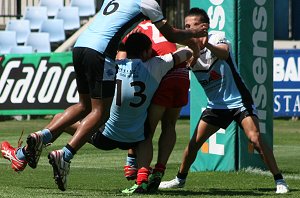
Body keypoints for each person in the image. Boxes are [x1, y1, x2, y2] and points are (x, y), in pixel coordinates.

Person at [0, 0, 208, 191]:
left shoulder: (117, 49)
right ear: (146, 52)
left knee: (82, 108)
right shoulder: (155, 60)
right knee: (125, 122)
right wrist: (193, 38)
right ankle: (67, 155)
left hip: (81, 47)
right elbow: (173, 38)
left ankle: (32, 145)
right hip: (108, 69)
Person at [158, 8, 289, 194]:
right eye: (186, 26)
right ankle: (180, 179)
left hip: (238, 100)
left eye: (191, 25)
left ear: (203, 27)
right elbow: (180, 61)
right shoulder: (187, 50)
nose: (188, 28)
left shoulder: (217, 37)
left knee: (255, 139)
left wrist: (207, 46)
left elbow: (224, 54)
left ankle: (280, 181)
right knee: (194, 144)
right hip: (216, 106)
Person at [119, 20, 191, 192]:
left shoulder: (135, 29)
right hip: (181, 75)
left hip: (164, 72)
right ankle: (159, 170)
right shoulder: (162, 24)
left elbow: (123, 59)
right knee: (169, 125)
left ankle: (139, 172)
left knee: (146, 130)